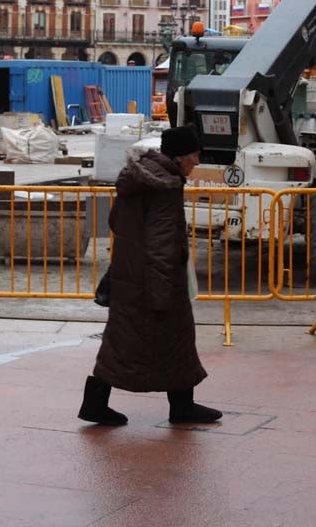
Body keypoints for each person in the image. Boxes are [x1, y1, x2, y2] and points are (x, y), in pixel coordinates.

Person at [78, 125, 220, 427]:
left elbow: (116, 221)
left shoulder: (138, 178)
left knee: (123, 342)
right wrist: (161, 289)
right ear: (180, 157)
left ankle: (99, 403)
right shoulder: (165, 187)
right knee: (170, 339)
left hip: (130, 275)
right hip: (154, 281)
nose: (195, 165)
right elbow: (162, 243)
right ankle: (181, 407)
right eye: (194, 159)